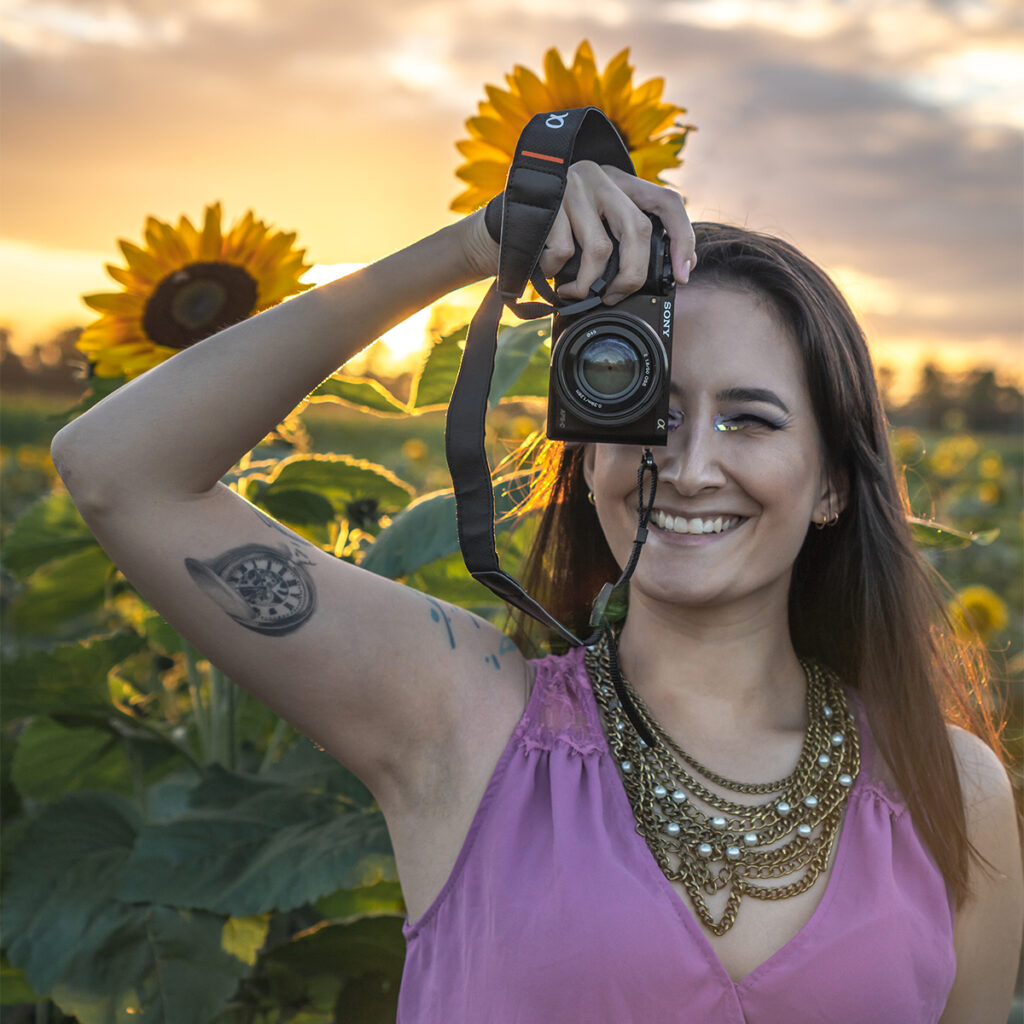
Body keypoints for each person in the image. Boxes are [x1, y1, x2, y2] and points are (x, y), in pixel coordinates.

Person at [52, 161, 1022, 1022]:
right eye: (648, 408)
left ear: (832, 486)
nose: (685, 467)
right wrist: (476, 246)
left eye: (748, 421)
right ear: (587, 449)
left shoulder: (950, 789)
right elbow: (117, 469)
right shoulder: (461, 718)